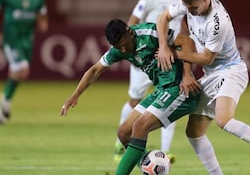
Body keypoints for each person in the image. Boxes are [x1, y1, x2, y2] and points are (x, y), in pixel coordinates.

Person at [157, 0, 250, 175]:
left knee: (224, 120)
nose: (190, 12)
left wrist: (174, 53)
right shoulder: (189, 3)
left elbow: (206, 58)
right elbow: (163, 18)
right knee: (194, 132)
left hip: (231, 71)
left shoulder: (217, 21)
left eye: (193, 8)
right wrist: (163, 46)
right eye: (187, 8)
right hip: (212, 74)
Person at [60, 19, 203, 175]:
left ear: (129, 32)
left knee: (139, 127)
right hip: (161, 90)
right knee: (124, 133)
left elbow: (187, 42)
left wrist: (187, 74)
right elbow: (95, 70)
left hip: (179, 88)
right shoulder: (120, 49)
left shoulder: (149, 33)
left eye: (123, 44)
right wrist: (75, 95)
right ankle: (153, 169)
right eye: (118, 47)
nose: (123, 49)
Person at [114, 0, 183, 163]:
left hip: (168, 58)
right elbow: (133, 21)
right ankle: (120, 145)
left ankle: (165, 151)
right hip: (146, 55)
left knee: (171, 99)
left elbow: (182, 27)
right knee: (134, 100)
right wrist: (132, 51)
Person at [0, 0, 48, 124]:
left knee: (20, 73)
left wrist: (42, 22)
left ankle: (5, 98)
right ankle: (5, 102)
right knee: (22, 69)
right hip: (10, 39)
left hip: (27, 40)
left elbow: (42, 15)